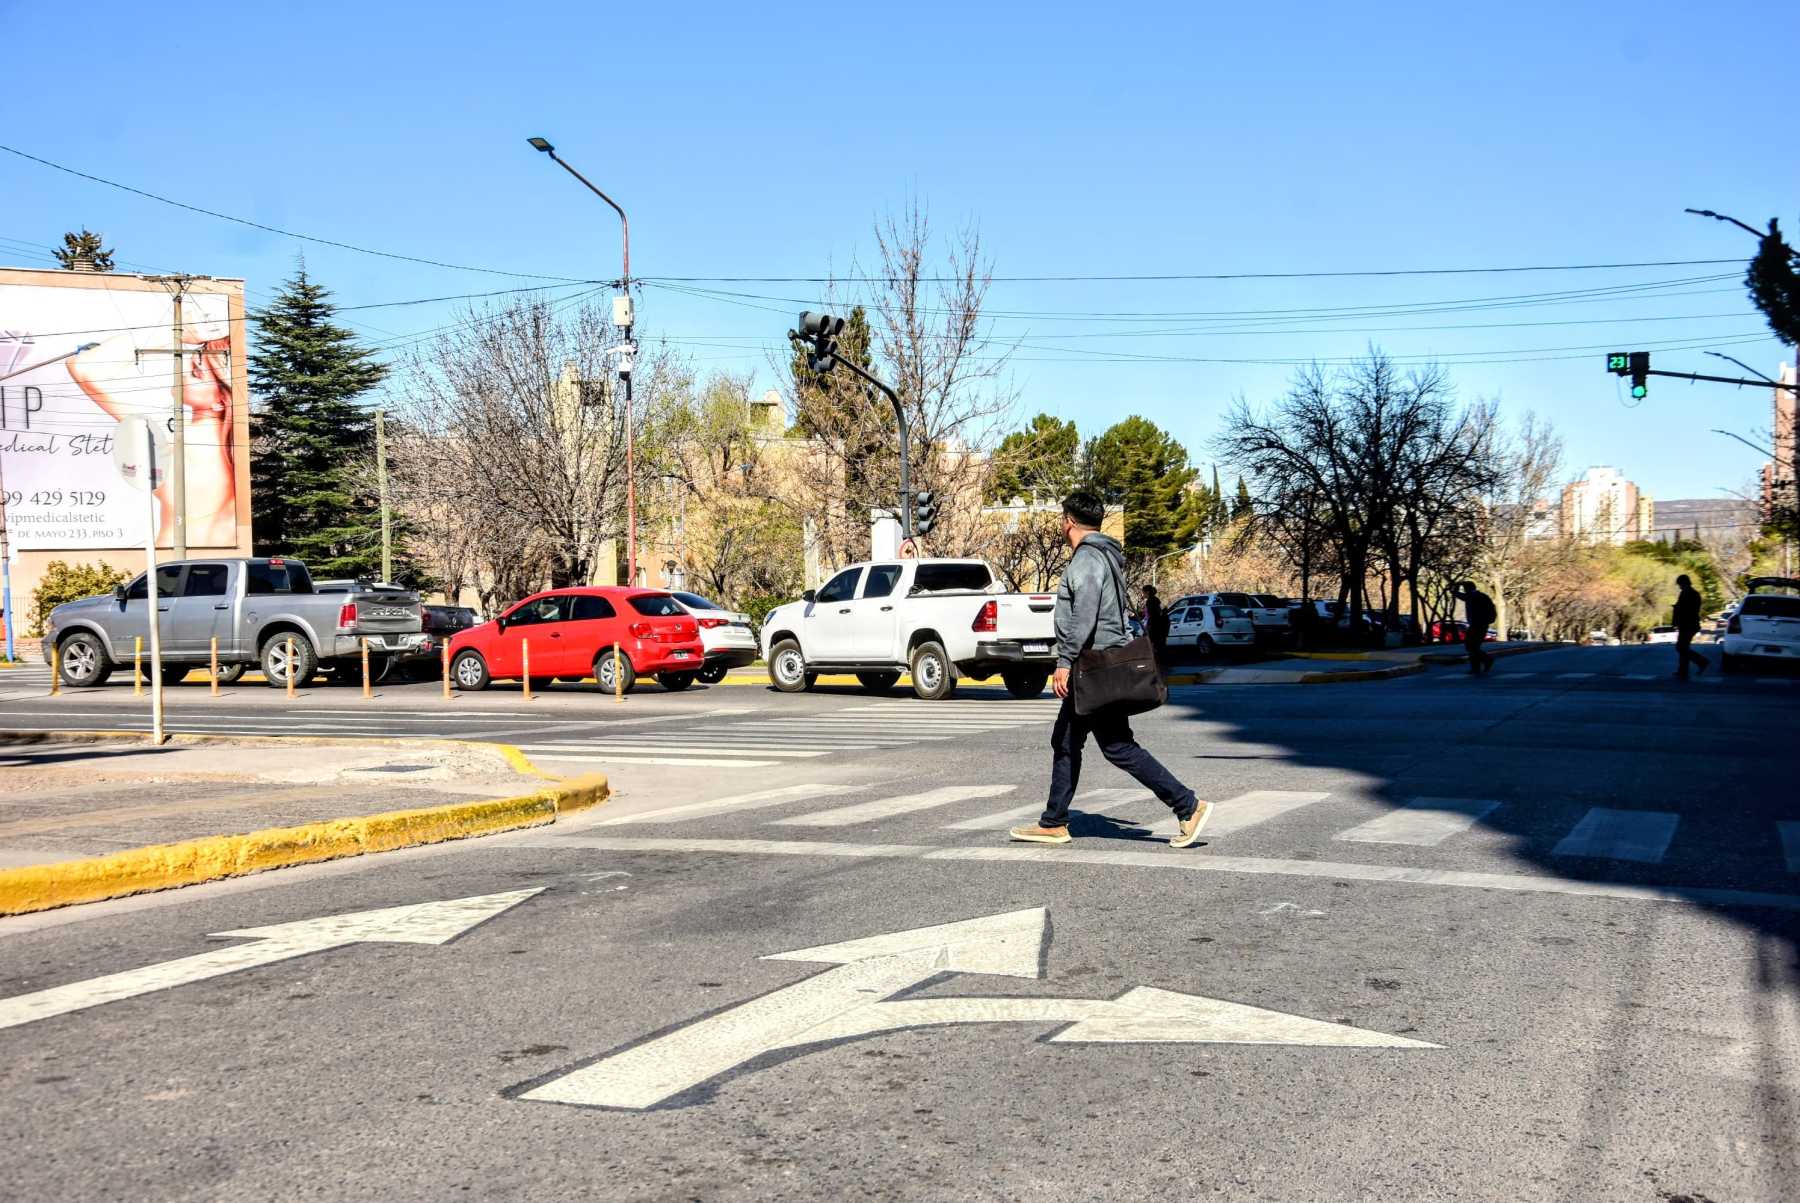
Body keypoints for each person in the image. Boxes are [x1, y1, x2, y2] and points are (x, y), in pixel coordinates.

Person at [1010, 491, 1210, 847]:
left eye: (1061, 518)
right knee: (1068, 741)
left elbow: (1083, 615)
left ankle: (1187, 806)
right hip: (1097, 665)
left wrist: (1064, 661)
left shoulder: (1087, 560)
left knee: (1116, 746)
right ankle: (1054, 820)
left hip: (1092, 667)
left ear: (1069, 520)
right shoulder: (1107, 556)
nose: (1060, 523)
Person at [1672, 574, 1709, 679]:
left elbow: (1690, 609)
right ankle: (1683, 671)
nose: (1679, 586)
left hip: (1689, 624)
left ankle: (1702, 661)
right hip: (1687, 624)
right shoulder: (1689, 593)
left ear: (1684, 583)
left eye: (1680, 584)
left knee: (1681, 647)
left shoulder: (1690, 594)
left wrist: (1678, 609)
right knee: (1683, 647)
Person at [1456, 581, 1496, 675]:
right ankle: (1477, 667)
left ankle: (1486, 660)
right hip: (1482, 624)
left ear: (1467, 589)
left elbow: (1456, 593)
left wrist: (1457, 585)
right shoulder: (1481, 596)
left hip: (1477, 625)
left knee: (1470, 646)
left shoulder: (1472, 597)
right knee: (1473, 647)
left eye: (1465, 588)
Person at [1143, 584, 1169, 662]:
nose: (1143, 594)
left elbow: (1153, 616)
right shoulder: (1156, 599)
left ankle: (1159, 662)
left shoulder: (1150, 601)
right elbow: (1164, 610)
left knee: (1156, 645)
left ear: (1147, 592)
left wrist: (1148, 627)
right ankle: (1162, 661)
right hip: (1162, 626)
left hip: (1157, 627)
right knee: (1161, 645)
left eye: (1143, 593)